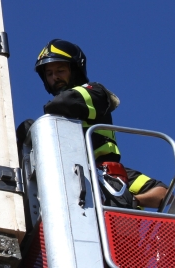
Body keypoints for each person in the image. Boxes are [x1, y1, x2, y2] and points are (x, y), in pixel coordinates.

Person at [35, 39, 167, 209]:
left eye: (61, 70)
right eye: (49, 73)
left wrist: (132, 201)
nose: (55, 77)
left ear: (75, 70)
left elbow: (162, 193)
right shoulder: (59, 174)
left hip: (104, 176)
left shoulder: (95, 92)